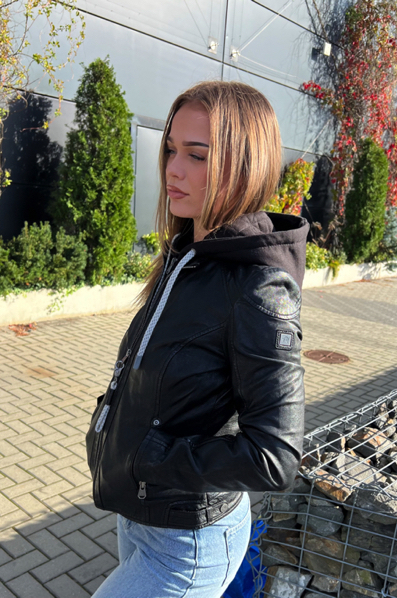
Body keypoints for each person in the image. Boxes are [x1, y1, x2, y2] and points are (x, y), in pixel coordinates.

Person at [86, 80, 308, 597]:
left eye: (197, 155)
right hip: (139, 512)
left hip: (186, 545)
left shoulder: (257, 286)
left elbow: (275, 455)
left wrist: (151, 456)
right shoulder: (186, 254)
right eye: (170, 149)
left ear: (243, 163)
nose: (173, 169)